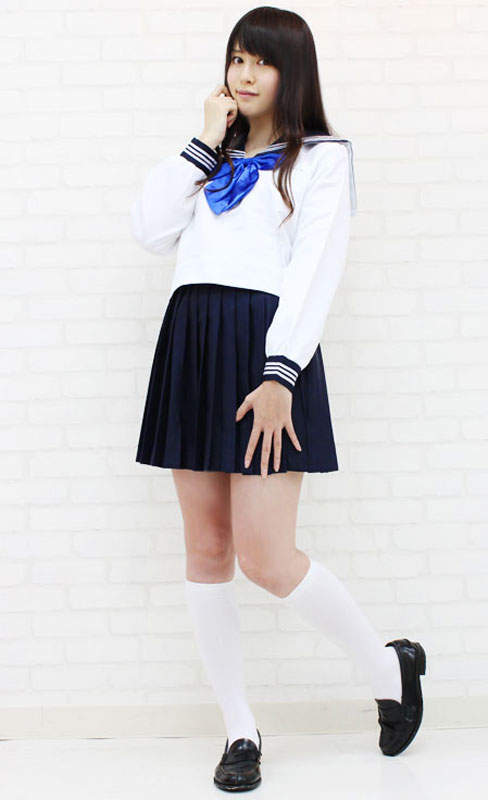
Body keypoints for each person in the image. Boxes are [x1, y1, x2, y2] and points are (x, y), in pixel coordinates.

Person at [130, 6, 426, 793]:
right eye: (236, 58)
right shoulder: (209, 157)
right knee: (207, 550)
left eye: (261, 61)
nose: (245, 73)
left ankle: (390, 672)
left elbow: (315, 268)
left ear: (292, 72)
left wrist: (279, 373)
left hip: (264, 350)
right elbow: (150, 230)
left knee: (267, 557)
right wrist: (203, 139)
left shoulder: (321, 158)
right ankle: (240, 729)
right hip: (193, 343)